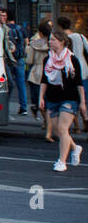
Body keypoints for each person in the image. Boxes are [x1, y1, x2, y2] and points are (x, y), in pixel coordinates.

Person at [40, 29, 86, 172]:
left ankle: (61, 161)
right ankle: (75, 147)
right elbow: (44, 80)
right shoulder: (47, 59)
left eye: (53, 39)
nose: (50, 42)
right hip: (53, 98)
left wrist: (83, 103)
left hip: (70, 98)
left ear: (62, 42)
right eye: (50, 39)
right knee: (57, 131)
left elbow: (79, 83)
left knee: (62, 128)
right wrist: (41, 97)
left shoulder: (72, 60)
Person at [56, 16, 87, 132]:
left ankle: (76, 126)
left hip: (70, 72)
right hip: (84, 70)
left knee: (71, 99)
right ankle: (85, 121)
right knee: (83, 98)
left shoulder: (63, 39)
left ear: (59, 26)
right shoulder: (80, 36)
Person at [0, 9, 28, 116]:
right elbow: (26, 42)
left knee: (9, 83)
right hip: (18, 59)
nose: (3, 18)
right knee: (20, 84)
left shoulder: (6, 29)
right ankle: (24, 107)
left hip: (9, 60)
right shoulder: (21, 28)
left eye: (4, 16)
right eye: (1, 15)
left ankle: (5, 106)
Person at [26, 21, 52, 140]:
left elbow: (29, 61)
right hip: (50, 73)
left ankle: (46, 122)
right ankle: (49, 123)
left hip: (36, 74)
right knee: (49, 101)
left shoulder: (34, 43)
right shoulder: (53, 44)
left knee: (39, 101)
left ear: (40, 32)